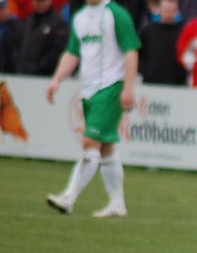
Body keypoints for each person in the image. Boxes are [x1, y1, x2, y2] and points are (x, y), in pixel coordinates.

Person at [45, 0, 140, 218]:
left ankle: (68, 198)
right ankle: (117, 203)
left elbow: (131, 50)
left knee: (89, 142)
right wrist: (57, 80)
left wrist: (128, 87)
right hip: (88, 91)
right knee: (106, 147)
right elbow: (72, 52)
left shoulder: (116, 14)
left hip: (111, 87)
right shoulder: (79, 17)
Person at [15, 0, 69, 76]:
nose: (39, 4)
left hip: (45, 75)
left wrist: (39, 67)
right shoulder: (29, 20)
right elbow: (21, 45)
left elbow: (58, 50)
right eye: (37, 1)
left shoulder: (57, 22)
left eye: (42, 1)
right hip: (25, 73)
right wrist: (21, 66)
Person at [139, 0, 186, 85]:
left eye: (172, 11)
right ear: (160, 10)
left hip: (177, 83)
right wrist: (146, 71)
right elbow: (138, 54)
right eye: (166, 10)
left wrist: (182, 73)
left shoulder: (183, 31)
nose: (169, 14)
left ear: (177, 11)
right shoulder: (148, 31)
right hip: (151, 81)